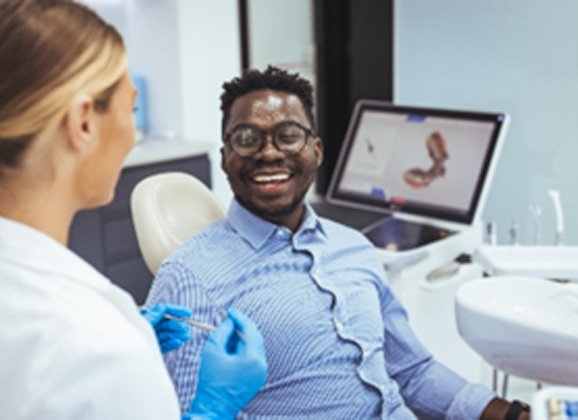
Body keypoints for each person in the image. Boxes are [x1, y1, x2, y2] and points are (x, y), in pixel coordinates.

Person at [146, 65, 531, 419]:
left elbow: (412, 371)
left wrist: (511, 414)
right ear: (226, 157)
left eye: (288, 136)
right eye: (246, 139)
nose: (268, 152)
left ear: (316, 151)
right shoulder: (190, 277)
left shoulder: (354, 248)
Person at [0, 1, 266, 419]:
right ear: (84, 123)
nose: (131, 134)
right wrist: (211, 410)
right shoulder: (97, 346)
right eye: (132, 108)